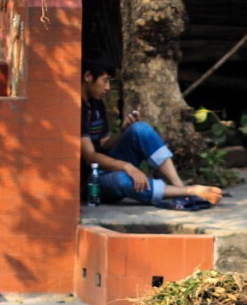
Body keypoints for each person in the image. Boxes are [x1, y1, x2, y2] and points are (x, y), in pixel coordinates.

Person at [80, 53, 222, 209]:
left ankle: (179, 187)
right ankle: (188, 190)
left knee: (139, 128)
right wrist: (128, 166)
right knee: (122, 180)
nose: (107, 87)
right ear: (88, 76)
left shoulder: (96, 104)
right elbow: (89, 156)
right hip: (89, 181)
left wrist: (123, 132)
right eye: (105, 81)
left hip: (105, 167)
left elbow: (104, 145)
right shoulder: (76, 108)